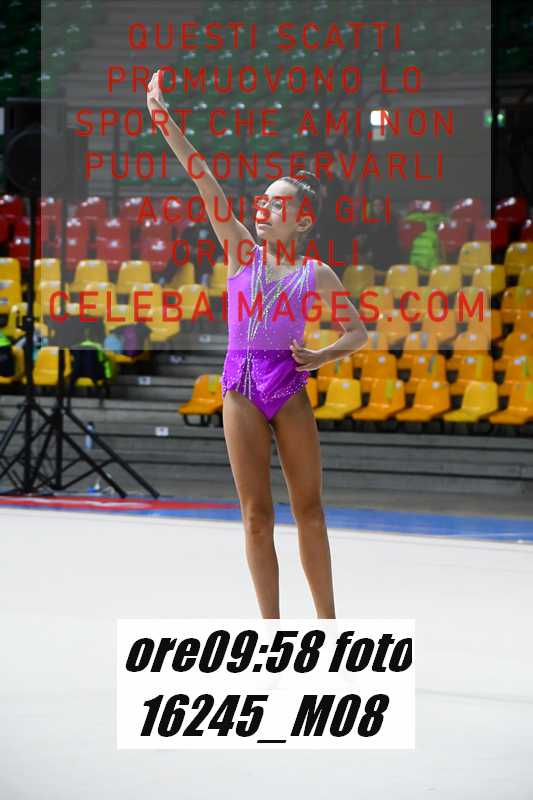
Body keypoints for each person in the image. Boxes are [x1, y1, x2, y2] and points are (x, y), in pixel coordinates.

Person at [147, 70, 369, 619]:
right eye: (263, 202)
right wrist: (165, 121)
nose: (264, 209)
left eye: (277, 204)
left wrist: (320, 356)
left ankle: (328, 625)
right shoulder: (240, 252)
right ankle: (272, 629)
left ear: (302, 220)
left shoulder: (317, 273)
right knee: (256, 517)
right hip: (241, 387)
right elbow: (205, 180)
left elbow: (358, 332)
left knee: (310, 511)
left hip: (288, 384)